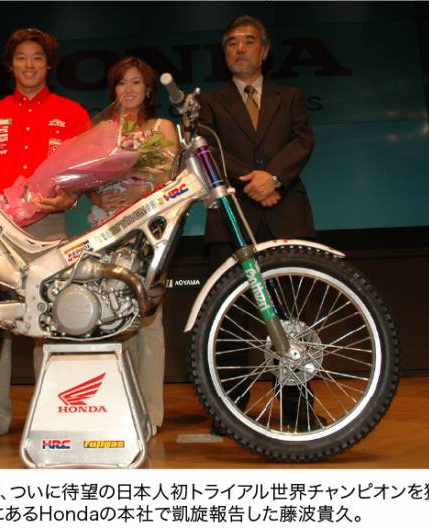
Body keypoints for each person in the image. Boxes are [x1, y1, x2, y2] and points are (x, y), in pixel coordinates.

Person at [0, 28, 91, 442]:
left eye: (37, 58)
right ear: (10, 65)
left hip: (48, 228)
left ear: (48, 65)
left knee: (49, 320)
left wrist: (68, 198)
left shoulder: (72, 113)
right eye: (21, 58)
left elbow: (84, 175)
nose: (29, 64)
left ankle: (52, 413)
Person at [198, 15, 317, 431]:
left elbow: (303, 141)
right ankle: (230, 413)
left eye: (248, 41)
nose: (240, 48)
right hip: (231, 215)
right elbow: (205, 148)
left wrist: (273, 178)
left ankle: (298, 410)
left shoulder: (291, 96)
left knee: (292, 317)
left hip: (286, 212)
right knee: (229, 319)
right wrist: (254, 183)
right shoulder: (209, 102)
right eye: (232, 42)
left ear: (264, 50)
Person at [86, 57, 180, 435]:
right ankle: (115, 408)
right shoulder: (100, 130)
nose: (128, 89)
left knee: (148, 320)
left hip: (147, 231)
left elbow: (169, 175)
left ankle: (150, 412)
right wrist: (96, 194)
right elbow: (83, 177)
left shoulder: (162, 127)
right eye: (122, 82)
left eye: (136, 82)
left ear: (149, 89)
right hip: (105, 231)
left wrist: (138, 186)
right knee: (108, 317)